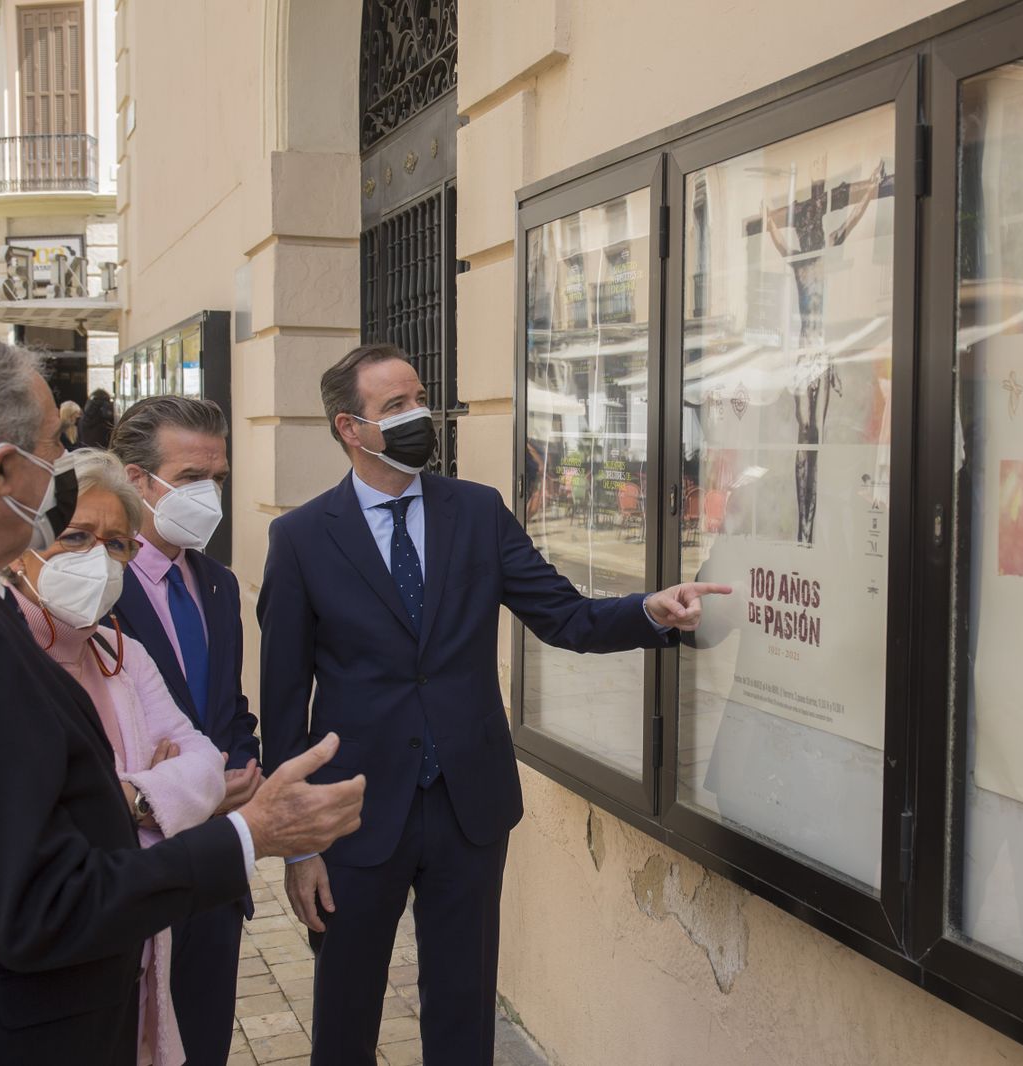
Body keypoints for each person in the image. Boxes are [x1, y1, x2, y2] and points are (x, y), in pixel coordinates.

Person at [0, 336, 366, 1066]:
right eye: (54, 446)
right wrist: (252, 833)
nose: (60, 474)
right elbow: (42, 903)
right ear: (4, 468)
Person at [259, 343, 730, 1065]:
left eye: (418, 397)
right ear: (349, 428)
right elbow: (285, 698)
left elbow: (563, 617)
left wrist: (652, 612)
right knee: (346, 1008)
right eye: (395, 407)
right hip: (352, 812)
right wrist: (301, 845)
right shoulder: (299, 539)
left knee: (463, 1007)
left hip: (466, 806)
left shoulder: (476, 512)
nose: (417, 416)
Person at [9, 447, 227, 1066]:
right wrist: (145, 795)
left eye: (116, 544)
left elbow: (204, 761)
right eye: (76, 537)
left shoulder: (120, 652)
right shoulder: (2, 651)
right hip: (47, 963)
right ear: (25, 540)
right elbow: (39, 817)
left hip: (130, 946)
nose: (97, 560)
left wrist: (129, 798)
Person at [111, 395, 259, 1066]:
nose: (210, 495)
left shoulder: (220, 584)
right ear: (136, 480)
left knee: (205, 1045)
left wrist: (241, 774)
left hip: (217, 877)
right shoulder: (96, 590)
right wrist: (184, 786)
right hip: (136, 875)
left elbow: (228, 709)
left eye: (219, 479)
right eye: (193, 477)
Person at [759, 155, 885, 545]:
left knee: (810, 438)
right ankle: (805, 530)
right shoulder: (810, 255)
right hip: (813, 356)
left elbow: (778, 231)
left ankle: (806, 530)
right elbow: (848, 221)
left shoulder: (805, 257)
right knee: (809, 438)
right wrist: (872, 188)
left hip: (811, 356)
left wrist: (871, 187)